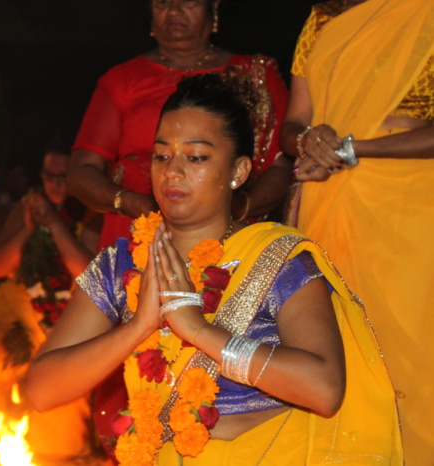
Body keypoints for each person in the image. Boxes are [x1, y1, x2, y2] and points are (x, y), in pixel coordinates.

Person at [25, 74, 401, 465]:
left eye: (196, 157)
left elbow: (324, 390)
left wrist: (198, 330)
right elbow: (41, 390)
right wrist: (138, 327)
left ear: (238, 171)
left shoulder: (277, 257)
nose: (172, 171)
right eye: (161, 155)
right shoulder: (123, 263)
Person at [279, 0, 434, 461]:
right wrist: (307, 140)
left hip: (410, 211)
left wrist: (354, 149)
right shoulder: (324, 15)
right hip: (327, 206)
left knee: (412, 352)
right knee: (338, 350)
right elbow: (294, 121)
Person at [68, 0, 291, 252]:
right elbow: (80, 173)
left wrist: (236, 207)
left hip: (229, 235)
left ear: (212, 8)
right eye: (162, 2)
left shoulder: (256, 75)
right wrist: (135, 203)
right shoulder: (121, 80)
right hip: (137, 232)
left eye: (187, 1)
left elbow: (282, 168)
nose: (174, 11)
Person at [0, 150, 101, 462]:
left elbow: (89, 274)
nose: (55, 184)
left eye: (63, 177)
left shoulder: (92, 215)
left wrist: (54, 224)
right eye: (48, 177)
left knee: (58, 434)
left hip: (70, 318)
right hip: (17, 309)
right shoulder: (26, 208)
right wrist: (28, 229)